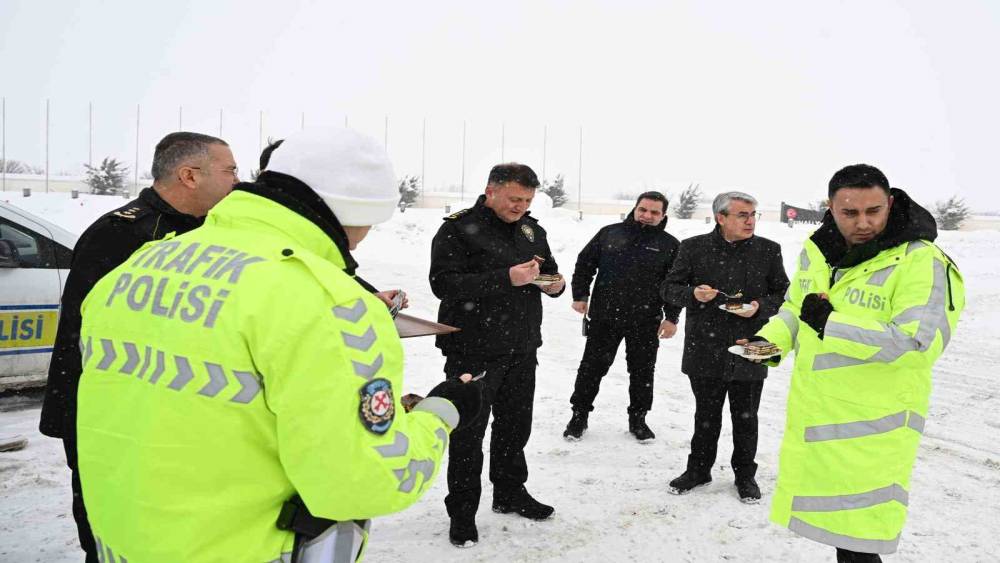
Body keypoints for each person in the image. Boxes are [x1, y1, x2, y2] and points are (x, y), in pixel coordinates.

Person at [74, 127, 480, 562]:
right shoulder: (332, 305)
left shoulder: (142, 265)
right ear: (355, 213)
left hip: (122, 542)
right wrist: (441, 412)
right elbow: (366, 483)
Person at [38, 131, 238, 562]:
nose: (238, 181)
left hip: (165, 409)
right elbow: (84, 334)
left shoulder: (214, 232)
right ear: (189, 174)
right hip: (107, 412)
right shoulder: (121, 234)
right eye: (230, 170)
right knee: (113, 527)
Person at [753, 164, 964, 562]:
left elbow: (917, 342)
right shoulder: (820, 252)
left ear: (890, 204)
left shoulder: (920, 261)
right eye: (850, 213)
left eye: (874, 211)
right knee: (843, 540)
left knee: (861, 540)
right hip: (819, 417)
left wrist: (831, 323)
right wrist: (768, 343)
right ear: (830, 207)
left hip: (873, 430)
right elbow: (797, 309)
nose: (863, 223)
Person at [429, 163, 564, 547]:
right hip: (473, 349)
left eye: (527, 200)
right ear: (491, 191)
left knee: (514, 428)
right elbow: (443, 284)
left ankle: (509, 492)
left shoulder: (531, 229)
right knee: (469, 433)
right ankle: (462, 512)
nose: (521, 206)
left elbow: (547, 271)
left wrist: (554, 284)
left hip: (522, 346)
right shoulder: (458, 228)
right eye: (514, 199)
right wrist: (506, 277)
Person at [661, 191, 789, 503]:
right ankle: (698, 470)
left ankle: (745, 476)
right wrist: (694, 294)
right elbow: (669, 288)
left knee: (746, 417)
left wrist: (759, 306)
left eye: (753, 214)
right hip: (704, 346)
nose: (750, 221)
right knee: (706, 414)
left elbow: (784, 294)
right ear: (721, 218)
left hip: (752, 345)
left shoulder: (768, 250)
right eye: (742, 215)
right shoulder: (693, 248)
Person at [563, 191, 681, 442]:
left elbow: (676, 284)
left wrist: (671, 318)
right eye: (643, 210)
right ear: (635, 209)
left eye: (654, 212)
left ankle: (638, 419)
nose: (647, 216)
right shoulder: (610, 233)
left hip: (646, 321)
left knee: (642, 372)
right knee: (591, 369)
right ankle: (579, 415)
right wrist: (580, 295)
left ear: (663, 216)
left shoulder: (670, 245)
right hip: (605, 317)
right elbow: (585, 263)